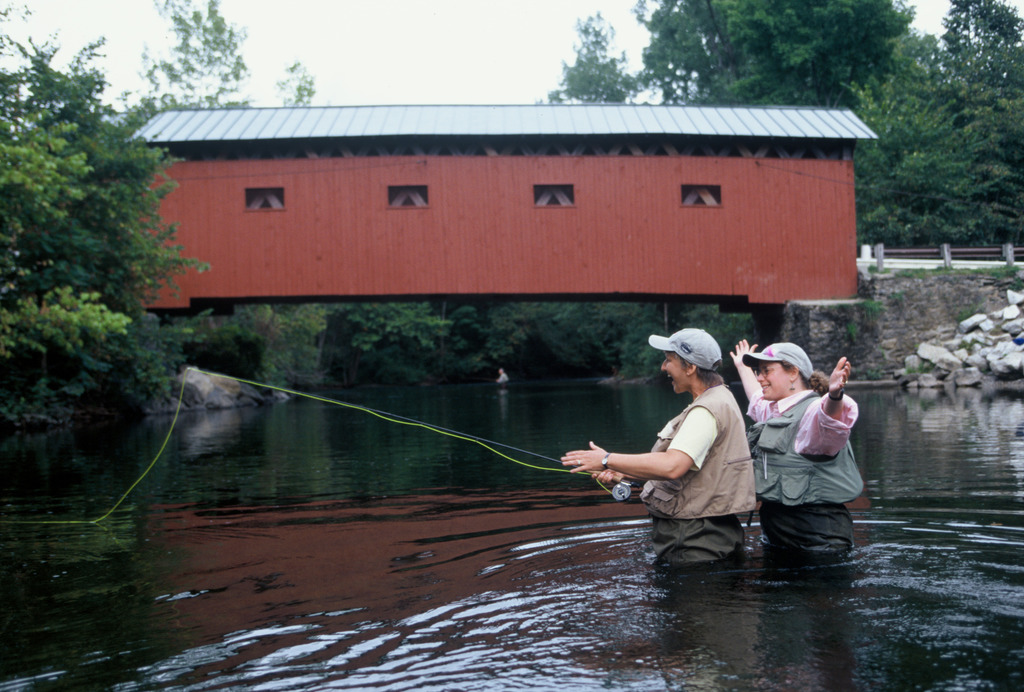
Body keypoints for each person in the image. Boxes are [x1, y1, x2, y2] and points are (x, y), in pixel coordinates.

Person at [562, 328, 755, 566]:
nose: (663, 367)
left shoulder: (706, 411)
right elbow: (694, 471)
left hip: (695, 540)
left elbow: (673, 466)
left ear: (690, 367)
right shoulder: (721, 397)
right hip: (710, 533)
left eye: (668, 360)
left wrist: (606, 459)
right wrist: (620, 471)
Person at [730, 340, 863, 553]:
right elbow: (755, 398)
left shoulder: (813, 412)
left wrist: (835, 395)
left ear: (793, 372)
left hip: (818, 541)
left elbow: (830, 419)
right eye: (758, 371)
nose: (759, 377)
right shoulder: (774, 410)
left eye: (766, 371)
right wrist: (742, 367)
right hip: (780, 536)